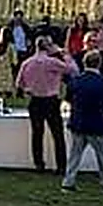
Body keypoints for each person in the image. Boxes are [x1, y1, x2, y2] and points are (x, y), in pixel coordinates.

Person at [16, 37, 74, 175]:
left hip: (35, 100)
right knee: (57, 135)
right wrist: (65, 55)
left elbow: (19, 83)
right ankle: (61, 166)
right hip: (51, 100)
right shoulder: (52, 62)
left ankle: (39, 164)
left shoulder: (27, 63)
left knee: (37, 134)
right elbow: (71, 69)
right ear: (47, 47)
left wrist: (29, 88)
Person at [62, 51, 103, 193]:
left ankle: (68, 181)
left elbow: (68, 99)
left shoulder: (74, 82)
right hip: (97, 124)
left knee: (75, 155)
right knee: (102, 155)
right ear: (99, 64)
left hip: (78, 123)